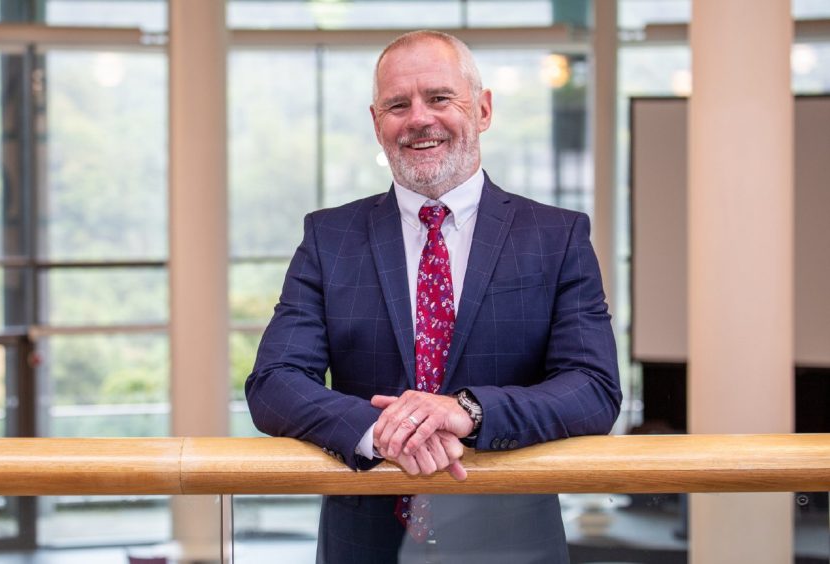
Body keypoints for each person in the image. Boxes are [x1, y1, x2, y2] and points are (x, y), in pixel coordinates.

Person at [246, 30, 621, 563]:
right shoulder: (329, 238)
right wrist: (383, 431)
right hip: (366, 541)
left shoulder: (555, 236)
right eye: (398, 105)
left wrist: (467, 411)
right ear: (378, 125)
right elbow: (273, 382)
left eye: (440, 98)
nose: (419, 118)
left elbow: (594, 388)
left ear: (483, 109)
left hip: (510, 538)